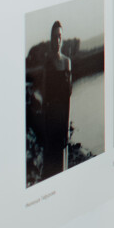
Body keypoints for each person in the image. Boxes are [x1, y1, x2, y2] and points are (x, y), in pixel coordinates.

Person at [37, 21, 72, 178]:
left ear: (62, 38)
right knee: (51, 168)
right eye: (54, 37)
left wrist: (66, 126)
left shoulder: (67, 62)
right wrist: (44, 131)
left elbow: (68, 98)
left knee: (61, 168)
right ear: (50, 40)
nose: (57, 41)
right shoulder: (47, 63)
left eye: (59, 37)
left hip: (62, 121)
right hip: (50, 123)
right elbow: (45, 99)